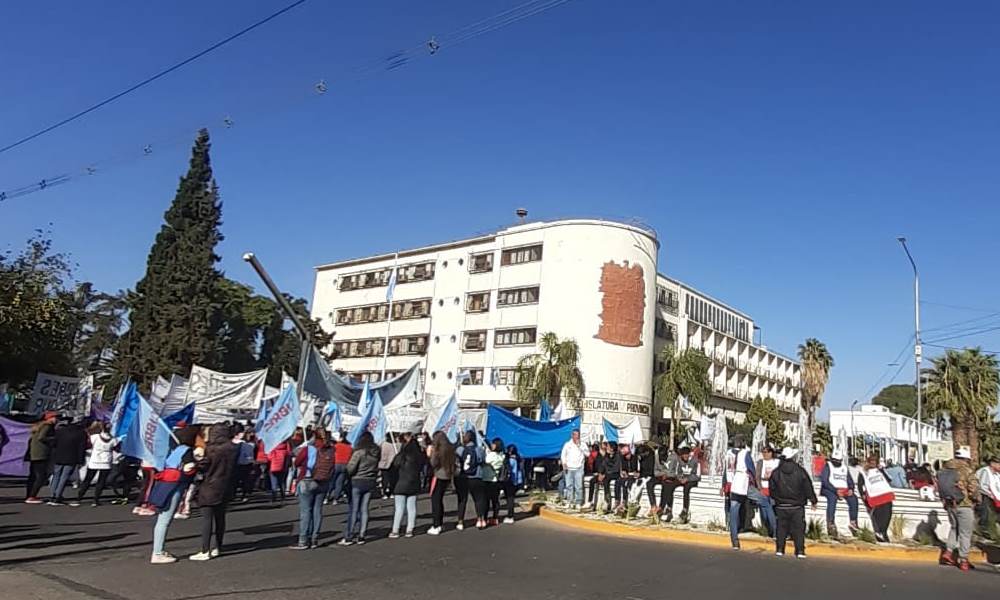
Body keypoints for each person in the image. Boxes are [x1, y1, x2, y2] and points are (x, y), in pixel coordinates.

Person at [149, 426, 199, 564]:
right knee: (164, 520)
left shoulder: (174, 450)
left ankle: (158, 550)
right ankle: (157, 552)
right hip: (175, 486)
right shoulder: (186, 451)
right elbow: (189, 467)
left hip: (164, 484)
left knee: (162, 519)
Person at [189, 423, 239, 561]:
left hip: (210, 485)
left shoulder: (211, 449)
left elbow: (204, 466)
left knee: (207, 519)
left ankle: (205, 550)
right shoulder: (233, 448)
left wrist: (196, 461)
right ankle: (218, 547)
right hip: (226, 485)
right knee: (220, 518)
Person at [290, 429, 335, 550]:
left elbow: (297, 461)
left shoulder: (309, 448)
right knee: (317, 511)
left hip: (307, 480)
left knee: (306, 511)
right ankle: (314, 539)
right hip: (323, 481)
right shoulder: (331, 449)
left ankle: (303, 540)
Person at [769, 448, 818, 558]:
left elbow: (772, 489)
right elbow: (808, 487)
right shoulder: (800, 471)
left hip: (781, 505)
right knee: (799, 529)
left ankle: (780, 549)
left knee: (781, 528)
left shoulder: (776, 472)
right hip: (797, 506)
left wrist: (777, 499)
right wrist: (813, 500)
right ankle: (800, 550)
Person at [938, 446, 980, 571]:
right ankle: (964, 560)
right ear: (966, 458)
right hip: (964, 504)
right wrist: (977, 499)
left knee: (954, 528)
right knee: (965, 533)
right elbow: (973, 488)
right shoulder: (966, 470)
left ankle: (948, 552)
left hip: (950, 504)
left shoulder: (944, 469)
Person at [342, 431, 380, 545]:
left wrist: (348, 473)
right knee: (364, 509)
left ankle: (349, 535)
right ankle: (361, 535)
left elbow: (351, 468)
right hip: (370, 481)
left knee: (354, 509)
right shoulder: (376, 453)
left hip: (357, 480)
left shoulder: (359, 452)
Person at [723, 434, 754, 549]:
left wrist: (724, 484)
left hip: (733, 483)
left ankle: (734, 538)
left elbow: (726, 470)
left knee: (733, 509)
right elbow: (751, 469)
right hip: (744, 483)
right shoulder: (745, 454)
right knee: (764, 502)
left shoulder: (728, 453)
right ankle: (774, 532)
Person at [390, 433, 424, 538]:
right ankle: (410, 529)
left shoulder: (400, 456)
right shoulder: (419, 458)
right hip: (413, 483)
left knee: (399, 508)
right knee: (412, 508)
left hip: (400, 484)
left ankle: (395, 530)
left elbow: (392, 471)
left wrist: (391, 486)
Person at [48, 418, 87, 506]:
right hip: (71, 457)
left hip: (59, 456)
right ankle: (58, 496)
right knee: (64, 477)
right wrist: (80, 460)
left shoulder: (61, 431)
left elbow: (54, 443)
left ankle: (52, 495)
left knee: (56, 475)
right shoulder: (81, 433)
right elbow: (81, 448)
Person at [856, 454, 895, 543]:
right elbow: (859, 484)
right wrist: (862, 494)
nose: (873, 463)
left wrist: (882, 470)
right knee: (878, 515)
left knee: (888, 514)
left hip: (886, 494)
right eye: (871, 461)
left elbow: (889, 479)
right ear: (868, 462)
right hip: (874, 495)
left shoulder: (880, 470)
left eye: (875, 461)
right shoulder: (863, 472)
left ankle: (883, 532)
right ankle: (879, 532)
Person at [819, 450, 858, 537]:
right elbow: (825, 481)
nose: (836, 462)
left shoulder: (844, 468)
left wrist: (851, 488)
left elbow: (849, 480)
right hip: (829, 489)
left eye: (838, 461)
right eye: (835, 460)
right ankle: (830, 523)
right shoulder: (827, 466)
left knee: (853, 499)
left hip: (843, 489)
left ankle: (853, 522)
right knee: (832, 499)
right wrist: (835, 490)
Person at [659, 446, 701, 523]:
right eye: (683, 455)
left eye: (686, 455)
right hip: (682, 479)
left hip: (692, 480)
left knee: (686, 489)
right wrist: (680, 478)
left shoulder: (695, 461)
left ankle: (685, 511)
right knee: (670, 485)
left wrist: (688, 479)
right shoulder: (679, 461)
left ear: (689, 454)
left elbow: (698, 475)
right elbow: (677, 472)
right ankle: (669, 509)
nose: (685, 456)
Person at [78, 422, 115, 506]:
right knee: (101, 481)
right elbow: (116, 447)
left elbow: (89, 444)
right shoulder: (113, 439)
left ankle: (79, 497)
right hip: (106, 462)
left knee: (88, 479)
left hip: (94, 461)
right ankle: (96, 500)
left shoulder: (95, 437)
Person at [427, 431, 456, 535]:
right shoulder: (450, 449)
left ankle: (436, 524)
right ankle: (439, 523)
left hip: (439, 475)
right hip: (447, 476)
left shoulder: (438, 450)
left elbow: (433, 463)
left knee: (435, 500)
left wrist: (430, 454)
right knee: (439, 499)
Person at [25, 412, 57, 504]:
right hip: (41, 454)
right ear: (49, 418)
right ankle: (32, 496)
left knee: (33, 476)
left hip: (34, 453)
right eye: (54, 417)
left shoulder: (38, 426)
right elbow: (41, 437)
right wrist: (53, 439)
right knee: (41, 476)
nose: (56, 419)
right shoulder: (47, 426)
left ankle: (29, 495)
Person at [458, 430, 487, 529]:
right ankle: (480, 519)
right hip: (476, 476)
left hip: (463, 477)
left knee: (462, 499)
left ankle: (460, 522)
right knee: (479, 499)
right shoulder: (479, 449)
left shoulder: (460, 449)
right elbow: (483, 461)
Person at [747, 446, 778, 537]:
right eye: (763, 452)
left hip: (773, 490)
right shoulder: (760, 462)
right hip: (763, 489)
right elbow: (757, 476)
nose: (764, 454)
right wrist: (759, 488)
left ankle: (774, 531)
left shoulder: (776, 462)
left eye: (766, 452)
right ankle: (767, 530)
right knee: (764, 512)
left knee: (772, 510)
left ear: (771, 453)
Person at [560, 429, 587, 508]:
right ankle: (569, 501)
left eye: (578, 435)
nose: (576, 437)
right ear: (572, 435)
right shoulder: (567, 444)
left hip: (579, 468)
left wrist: (580, 447)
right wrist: (564, 463)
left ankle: (578, 502)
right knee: (569, 485)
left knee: (578, 486)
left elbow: (587, 454)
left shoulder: (583, 444)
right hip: (569, 467)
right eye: (575, 435)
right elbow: (563, 455)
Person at [483, 438, 506, 526]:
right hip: (496, 480)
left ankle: (484, 518)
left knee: (486, 501)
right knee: (495, 501)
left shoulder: (491, 455)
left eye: (493, 444)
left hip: (487, 479)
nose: (492, 445)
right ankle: (495, 518)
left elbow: (485, 461)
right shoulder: (502, 456)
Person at [327, 431, 353, 504]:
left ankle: (326, 496)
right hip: (345, 465)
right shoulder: (349, 447)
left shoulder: (336, 446)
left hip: (336, 464)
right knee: (340, 482)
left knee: (332, 481)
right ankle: (336, 499)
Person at [975, 457, 1000, 531]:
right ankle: (982, 531)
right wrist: (992, 496)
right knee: (985, 516)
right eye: (999, 464)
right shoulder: (985, 471)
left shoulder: (996, 474)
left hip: (993, 498)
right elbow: (983, 486)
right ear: (992, 464)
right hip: (985, 496)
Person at [501, 444, 524, 524]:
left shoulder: (510, 460)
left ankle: (510, 516)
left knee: (509, 499)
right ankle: (510, 515)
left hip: (509, 480)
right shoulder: (519, 459)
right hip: (517, 481)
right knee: (511, 498)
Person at [267, 438, 292, 505]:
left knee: (274, 483)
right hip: (283, 467)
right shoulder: (286, 447)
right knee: (282, 482)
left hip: (274, 467)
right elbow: (289, 454)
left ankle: (273, 498)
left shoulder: (273, 447)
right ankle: (283, 497)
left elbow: (269, 457)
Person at [234, 427, 256, 503]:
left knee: (237, 480)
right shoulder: (248, 445)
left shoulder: (234, 443)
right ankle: (244, 495)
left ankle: (236, 495)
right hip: (245, 464)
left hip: (238, 464)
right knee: (244, 481)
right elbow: (250, 455)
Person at [600, 442, 622, 514]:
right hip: (608, 474)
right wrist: (601, 473)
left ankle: (617, 501)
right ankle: (607, 501)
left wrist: (606, 473)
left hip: (616, 473)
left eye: (608, 447)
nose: (607, 448)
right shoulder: (607, 456)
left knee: (617, 483)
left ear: (612, 448)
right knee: (605, 480)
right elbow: (603, 465)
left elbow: (616, 468)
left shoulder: (618, 456)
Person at [586, 442, 607, 509]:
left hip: (607, 474)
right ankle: (590, 501)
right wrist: (598, 473)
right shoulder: (598, 456)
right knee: (592, 481)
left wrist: (603, 474)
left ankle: (606, 502)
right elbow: (597, 466)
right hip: (599, 473)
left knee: (606, 482)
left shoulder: (608, 456)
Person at [379, 434, 398, 499]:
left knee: (384, 479)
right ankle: (392, 492)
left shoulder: (382, 445)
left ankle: (384, 493)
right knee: (392, 479)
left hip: (383, 464)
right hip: (392, 464)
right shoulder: (394, 445)